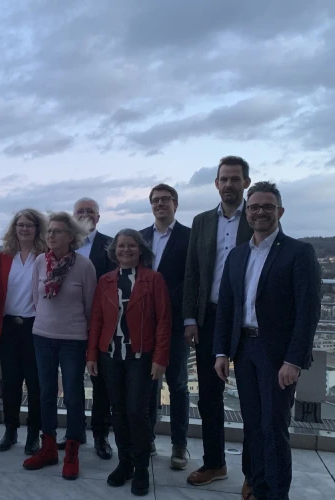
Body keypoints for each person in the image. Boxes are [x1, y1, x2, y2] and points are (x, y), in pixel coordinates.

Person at [214, 182, 320, 500]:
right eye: (254, 207)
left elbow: (308, 312)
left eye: (267, 207)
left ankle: (275, 493)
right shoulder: (236, 256)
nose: (260, 212)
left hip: (277, 355)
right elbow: (227, 309)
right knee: (253, 425)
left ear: (280, 212)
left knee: (274, 427)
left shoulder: (299, 253)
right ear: (247, 213)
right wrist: (221, 351)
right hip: (244, 349)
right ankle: (257, 484)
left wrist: (294, 360)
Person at [183, 156, 253, 492]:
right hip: (209, 318)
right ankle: (215, 463)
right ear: (216, 184)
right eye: (223, 179)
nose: (229, 184)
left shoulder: (257, 218)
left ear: (246, 183)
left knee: (253, 397)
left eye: (235, 179)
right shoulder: (201, 221)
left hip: (249, 320)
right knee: (209, 396)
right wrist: (191, 319)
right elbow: (192, 273)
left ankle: (254, 473)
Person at [87, 229, 171, 496]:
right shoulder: (105, 280)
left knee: (138, 413)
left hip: (140, 357)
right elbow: (97, 319)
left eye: (131, 246)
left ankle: (142, 468)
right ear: (114, 251)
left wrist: (160, 359)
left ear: (140, 250)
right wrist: (91, 355)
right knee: (118, 412)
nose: (126, 250)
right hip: (110, 356)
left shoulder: (153, 279)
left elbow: (164, 322)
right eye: (121, 246)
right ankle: (125, 464)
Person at [22, 212, 96, 481]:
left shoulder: (85, 266)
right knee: (45, 393)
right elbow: (35, 296)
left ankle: (72, 452)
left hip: (73, 339)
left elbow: (90, 306)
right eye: (49, 231)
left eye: (58, 231)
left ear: (71, 237)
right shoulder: (41, 262)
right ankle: (49, 447)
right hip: (42, 335)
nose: (51, 235)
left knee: (73, 396)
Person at [140, 184, 191, 468]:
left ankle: (179, 445)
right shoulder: (142, 237)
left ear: (175, 203)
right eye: (155, 200)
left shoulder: (189, 237)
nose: (160, 204)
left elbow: (192, 279)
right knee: (149, 383)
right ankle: (147, 439)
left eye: (165, 200)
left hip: (175, 322)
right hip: (145, 324)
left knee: (178, 384)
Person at [0, 209, 47, 455]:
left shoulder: (46, 257)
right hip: (8, 328)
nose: (24, 229)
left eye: (29, 225)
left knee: (36, 385)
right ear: (14, 228)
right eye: (20, 225)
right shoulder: (3, 257)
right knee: (11, 383)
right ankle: (10, 430)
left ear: (38, 229)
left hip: (36, 329)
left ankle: (33, 433)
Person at [70, 197, 115, 458]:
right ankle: (74, 433)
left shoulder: (110, 245)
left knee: (101, 384)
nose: (85, 214)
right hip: (69, 324)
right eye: (80, 211)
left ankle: (101, 435)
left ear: (98, 218)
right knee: (71, 381)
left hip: (100, 326)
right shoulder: (63, 244)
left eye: (90, 211)